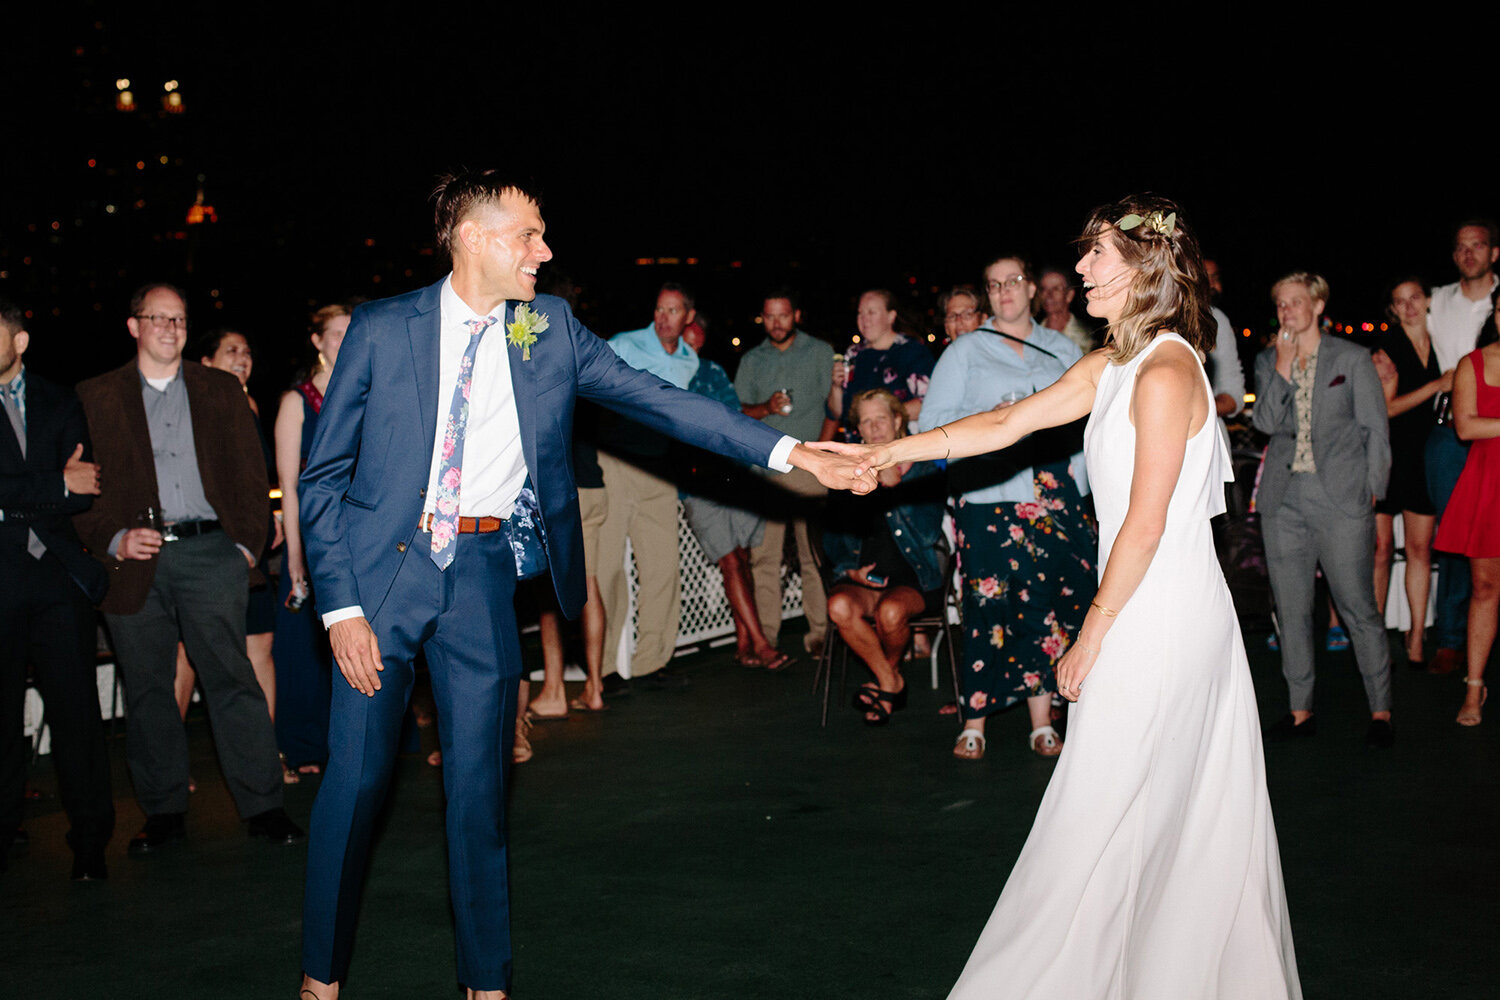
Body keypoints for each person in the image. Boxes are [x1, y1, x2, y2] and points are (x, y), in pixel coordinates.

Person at [295, 169, 870, 1000]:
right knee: (353, 791)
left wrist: (789, 452)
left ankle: (485, 984)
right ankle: (321, 980)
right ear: (471, 238)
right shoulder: (383, 330)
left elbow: (659, 401)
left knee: (480, 797)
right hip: (381, 583)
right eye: (527, 234)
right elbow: (322, 479)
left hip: (484, 578)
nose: (545, 249)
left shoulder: (549, 327)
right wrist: (341, 608)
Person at [811, 195, 1300, 997]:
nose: (1077, 271)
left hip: (1162, 614)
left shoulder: (1170, 369)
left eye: (1096, 255)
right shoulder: (1113, 365)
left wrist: (1090, 631)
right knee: (1130, 803)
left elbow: (1144, 525)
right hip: (1137, 603)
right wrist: (892, 451)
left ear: (1146, 266)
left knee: (1111, 802)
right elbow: (1006, 424)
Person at [73, 283, 301, 856]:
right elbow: (80, 486)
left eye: (178, 319)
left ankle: (265, 807)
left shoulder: (220, 390)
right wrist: (114, 538)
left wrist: (244, 550)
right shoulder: (95, 396)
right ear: (134, 327)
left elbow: (254, 477)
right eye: (157, 318)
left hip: (210, 555)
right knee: (148, 689)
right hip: (134, 560)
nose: (170, 329)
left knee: (232, 680)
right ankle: (164, 812)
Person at [921, 254, 1096, 760]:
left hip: (1053, 498)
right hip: (990, 497)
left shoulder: (1062, 348)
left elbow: (1088, 427)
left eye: (1013, 282)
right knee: (986, 607)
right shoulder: (966, 351)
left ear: (1031, 288)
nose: (1004, 292)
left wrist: (1081, 490)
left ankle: (1041, 722)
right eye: (993, 285)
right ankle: (973, 721)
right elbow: (933, 423)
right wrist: (989, 417)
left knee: (1044, 610)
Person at [1253, 272, 1394, 747]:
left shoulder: (1351, 358)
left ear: (1317, 305)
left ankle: (1380, 711)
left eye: (1295, 302)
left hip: (1340, 498)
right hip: (1282, 500)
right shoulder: (1268, 360)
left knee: (1358, 606)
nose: (1287, 310)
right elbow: (1267, 422)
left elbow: (1375, 427)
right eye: (1280, 303)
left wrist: (1372, 489)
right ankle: (1299, 711)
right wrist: (1282, 365)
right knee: (1291, 610)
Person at [0, 298, 114, 880]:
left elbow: (84, 489)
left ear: (18, 341)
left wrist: (21, 493)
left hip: (56, 581)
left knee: (77, 717)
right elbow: (61, 486)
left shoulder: (58, 398)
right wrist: (50, 482)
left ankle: (91, 844)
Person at [174, 328, 284, 776]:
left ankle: (265, 757)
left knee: (260, 644)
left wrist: (266, 516)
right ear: (206, 362)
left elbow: (255, 475)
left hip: (250, 546)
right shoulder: (188, 406)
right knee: (186, 655)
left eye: (247, 350)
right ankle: (170, 764)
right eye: (230, 350)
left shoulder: (250, 405)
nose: (242, 358)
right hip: (206, 548)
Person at [594, 282, 700, 690]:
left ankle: (651, 663)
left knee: (662, 568)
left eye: (673, 310)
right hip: (618, 462)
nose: (663, 318)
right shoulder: (624, 343)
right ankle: (602, 668)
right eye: (659, 309)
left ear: (688, 316)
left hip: (660, 469)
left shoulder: (690, 360)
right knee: (606, 569)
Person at [823, 389, 947, 724]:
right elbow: (831, 535)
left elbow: (927, 534)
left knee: (890, 612)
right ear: (858, 431)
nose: (875, 428)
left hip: (914, 579)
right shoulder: (847, 473)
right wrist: (851, 571)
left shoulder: (924, 469)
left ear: (897, 421)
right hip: (865, 580)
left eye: (881, 418)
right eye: (866, 421)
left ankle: (884, 678)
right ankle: (890, 681)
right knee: (838, 605)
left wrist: (895, 486)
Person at [677, 318, 786, 670]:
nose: (690, 352)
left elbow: (734, 415)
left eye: (696, 345)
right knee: (731, 561)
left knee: (740, 559)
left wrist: (765, 410)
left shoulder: (712, 372)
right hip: (695, 482)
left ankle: (743, 644)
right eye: (684, 344)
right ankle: (761, 645)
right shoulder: (659, 374)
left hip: (730, 476)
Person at [271, 304, 351, 778]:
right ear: (317, 342)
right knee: (307, 647)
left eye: (350, 333)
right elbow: (289, 484)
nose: (343, 341)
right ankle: (306, 747)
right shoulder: (295, 401)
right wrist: (296, 556)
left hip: (361, 535)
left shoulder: (367, 391)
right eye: (335, 334)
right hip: (316, 537)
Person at [734, 289, 835, 658]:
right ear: (762, 318)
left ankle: (820, 634)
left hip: (809, 465)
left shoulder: (821, 352)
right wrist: (766, 406)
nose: (777, 323)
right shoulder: (751, 359)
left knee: (812, 555)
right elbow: (737, 412)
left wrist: (822, 455)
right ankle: (769, 639)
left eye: (783, 315)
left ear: (797, 315)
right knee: (764, 558)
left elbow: (834, 408)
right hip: (765, 467)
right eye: (769, 316)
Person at [1425, 220, 1499, 675]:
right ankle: (1450, 640)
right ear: (1454, 257)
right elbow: (1403, 330)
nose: (1469, 253)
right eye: (1461, 248)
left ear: (1494, 252)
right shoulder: (1436, 301)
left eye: (1479, 246)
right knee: (1458, 542)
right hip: (1450, 431)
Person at [1370, 277, 1449, 668]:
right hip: (1387, 455)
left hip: (1426, 457)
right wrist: (1437, 384)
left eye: (1415, 297)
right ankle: (1374, 641)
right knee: (1381, 550)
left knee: (1420, 550)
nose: (1409, 306)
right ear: (1393, 309)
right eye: (1400, 301)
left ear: (1428, 300)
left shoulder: (1445, 342)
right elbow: (1386, 410)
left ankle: (1417, 636)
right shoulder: (1387, 349)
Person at [1434, 289, 1500, 725]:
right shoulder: (1473, 364)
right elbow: (1465, 425)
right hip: (1489, 481)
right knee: (1485, 589)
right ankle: (1474, 686)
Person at [826, 289, 933, 440]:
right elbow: (836, 413)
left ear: (891, 316)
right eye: (860, 313)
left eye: (871, 312)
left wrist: (882, 418)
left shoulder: (912, 352)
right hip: (859, 453)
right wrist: (836, 387)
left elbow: (928, 404)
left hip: (902, 453)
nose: (864, 319)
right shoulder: (853, 353)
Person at [1035, 266, 1094, 353]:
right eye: (1043, 289)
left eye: (1056, 289)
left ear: (1069, 295)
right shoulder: (1032, 334)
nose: (1048, 295)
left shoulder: (1088, 336)